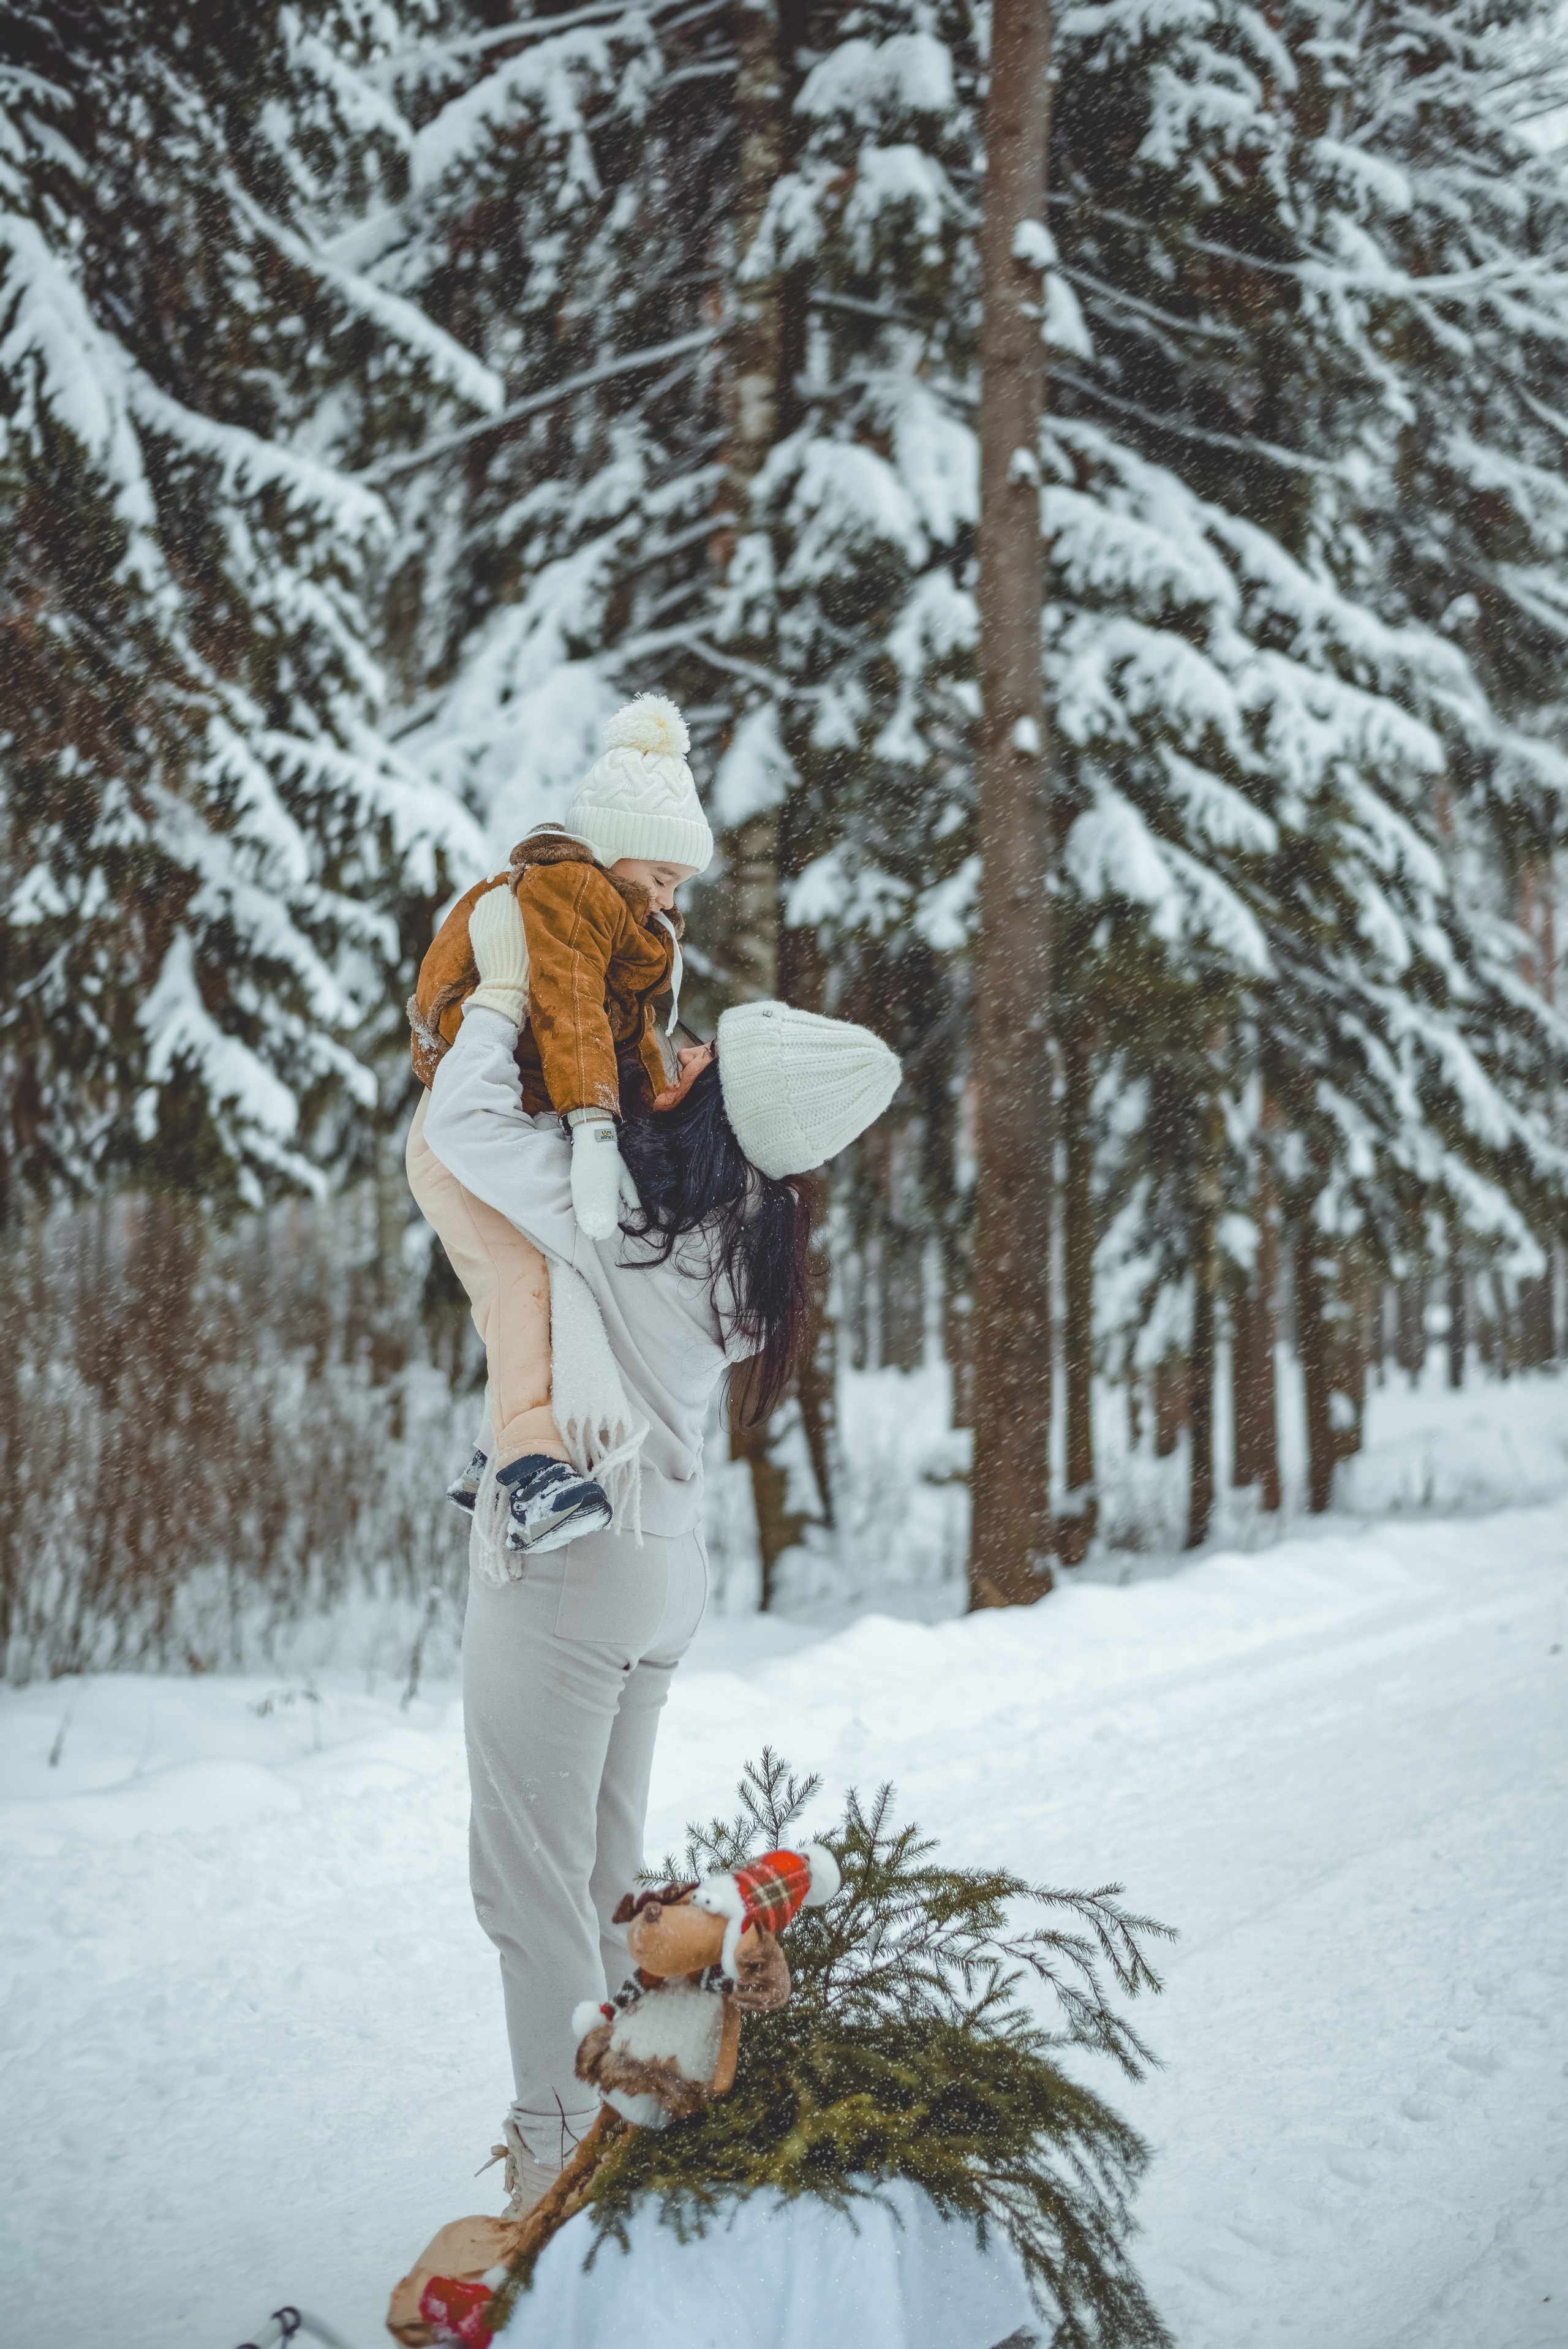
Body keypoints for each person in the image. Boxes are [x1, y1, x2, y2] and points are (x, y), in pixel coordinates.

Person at [417, 883, 900, 2219]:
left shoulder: (626, 1215)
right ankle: (625, 2142)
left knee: (528, 1895)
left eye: (698, 1058)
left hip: (578, 1565)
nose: (672, 1053)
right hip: (661, 1571)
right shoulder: (745, 1236)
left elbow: (459, 1126)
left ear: (716, 1110)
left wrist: (501, 990)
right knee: (596, 1889)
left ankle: (551, 2177)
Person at [406, 693, 712, 1554]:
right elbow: (569, 1013)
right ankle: (531, 1470)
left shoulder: (624, 925)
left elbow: (625, 1041)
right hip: (457, 1137)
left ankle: (492, 1450)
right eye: (660, 877)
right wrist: (595, 1126)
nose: (667, 900)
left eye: (678, 887)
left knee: (540, 1289)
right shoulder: (569, 892)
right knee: (521, 1286)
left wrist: (646, 1108)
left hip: (509, 1128)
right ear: (614, 847)